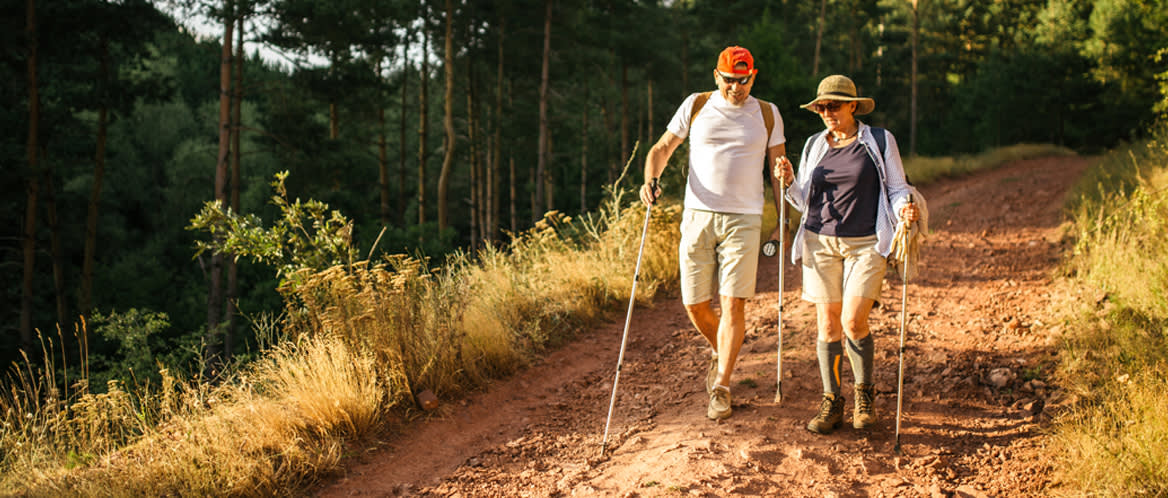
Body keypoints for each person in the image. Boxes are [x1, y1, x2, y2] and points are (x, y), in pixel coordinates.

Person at [640, 46, 792, 421]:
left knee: (733, 303)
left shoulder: (769, 114)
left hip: (745, 218)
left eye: (743, 81)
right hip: (697, 216)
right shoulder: (696, 104)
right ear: (716, 76)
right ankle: (722, 348)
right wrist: (650, 179)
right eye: (729, 80)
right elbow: (662, 148)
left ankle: (722, 385)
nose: (736, 88)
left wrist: (783, 221)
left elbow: (778, 169)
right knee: (693, 304)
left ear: (752, 77)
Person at [774, 74, 920, 434]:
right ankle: (831, 400)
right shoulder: (814, 144)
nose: (827, 112)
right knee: (827, 324)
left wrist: (904, 208)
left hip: (867, 242)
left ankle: (864, 394)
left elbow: (898, 187)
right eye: (821, 107)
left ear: (853, 106)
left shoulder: (880, 141)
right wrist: (789, 180)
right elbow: (802, 199)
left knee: (853, 321)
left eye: (834, 106)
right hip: (820, 242)